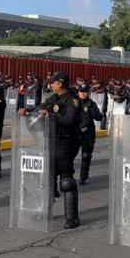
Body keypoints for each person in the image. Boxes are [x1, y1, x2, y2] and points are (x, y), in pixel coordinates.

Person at [38, 71, 82, 229]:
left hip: (66, 142)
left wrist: (51, 115)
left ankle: (72, 218)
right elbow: (42, 107)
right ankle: (46, 212)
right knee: (48, 179)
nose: (51, 85)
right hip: (51, 141)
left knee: (66, 181)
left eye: (53, 83)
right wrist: (28, 111)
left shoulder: (72, 100)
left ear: (60, 84)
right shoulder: (54, 99)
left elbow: (69, 120)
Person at [76, 85, 102, 185]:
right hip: (76, 133)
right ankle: (68, 177)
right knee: (69, 157)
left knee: (86, 156)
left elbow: (99, 117)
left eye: (85, 91)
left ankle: (83, 177)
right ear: (78, 92)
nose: (83, 93)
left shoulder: (92, 104)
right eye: (81, 91)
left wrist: (91, 110)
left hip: (88, 134)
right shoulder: (74, 102)